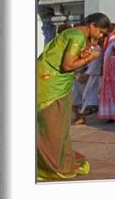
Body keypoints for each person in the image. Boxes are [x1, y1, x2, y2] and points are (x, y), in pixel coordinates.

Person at [36, 12, 110, 181]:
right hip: (52, 85)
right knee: (53, 129)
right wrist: (90, 57)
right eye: (100, 32)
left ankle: (47, 161)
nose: (101, 36)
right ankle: (52, 167)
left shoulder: (73, 33)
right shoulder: (77, 36)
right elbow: (68, 65)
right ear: (91, 25)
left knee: (52, 127)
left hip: (49, 81)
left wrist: (83, 55)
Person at [72, 36, 105, 125]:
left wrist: (86, 74)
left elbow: (95, 65)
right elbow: (85, 63)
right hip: (80, 74)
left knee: (86, 99)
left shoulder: (98, 50)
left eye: (95, 39)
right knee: (74, 98)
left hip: (92, 77)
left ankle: (83, 117)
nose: (94, 41)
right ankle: (78, 116)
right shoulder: (86, 48)